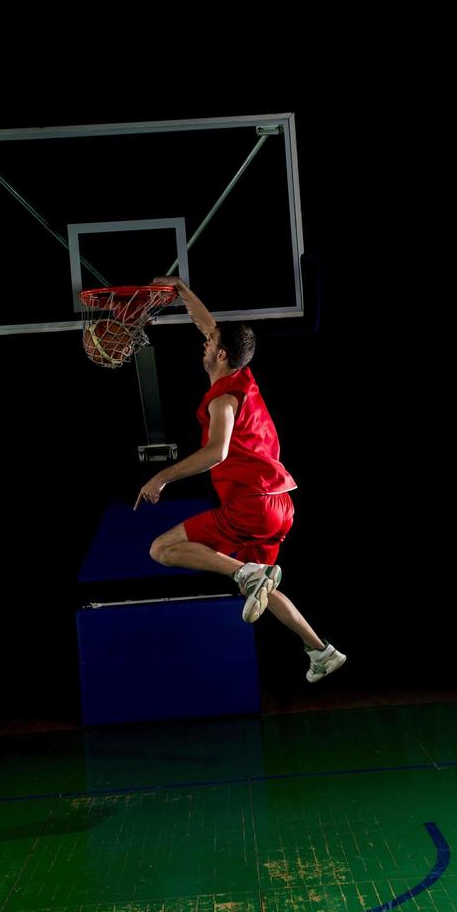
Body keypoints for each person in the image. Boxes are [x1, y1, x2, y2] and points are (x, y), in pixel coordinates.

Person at [134, 276, 346, 683]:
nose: (205, 343)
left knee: (162, 548)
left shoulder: (223, 400)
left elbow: (218, 452)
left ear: (222, 354)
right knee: (261, 590)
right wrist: (179, 289)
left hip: (252, 504)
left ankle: (244, 572)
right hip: (280, 504)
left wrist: (162, 477)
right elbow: (206, 323)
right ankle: (321, 651)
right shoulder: (242, 378)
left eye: (210, 344)